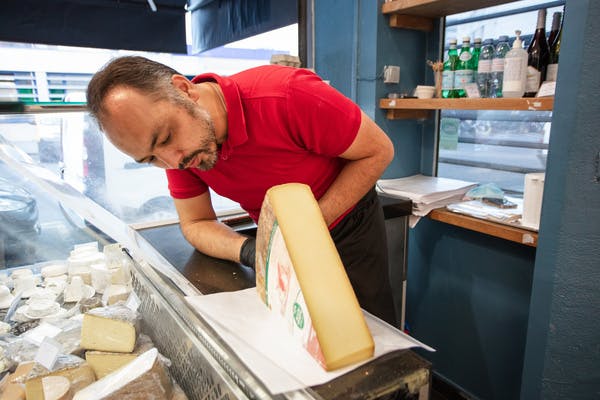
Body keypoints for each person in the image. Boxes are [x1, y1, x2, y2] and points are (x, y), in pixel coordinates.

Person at [86, 56, 397, 324]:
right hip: (279, 239)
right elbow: (195, 222)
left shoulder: (287, 95)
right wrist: (251, 251)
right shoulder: (182, 156)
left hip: (347, 226)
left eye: (166, 137)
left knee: (368, 338)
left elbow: (379, 150)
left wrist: (307, 229)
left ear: (184, 90)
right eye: (150, 159)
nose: (172, 161)